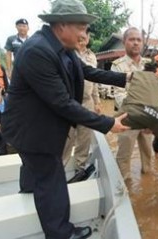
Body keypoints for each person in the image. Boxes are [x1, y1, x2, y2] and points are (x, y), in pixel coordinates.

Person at [1, 0, 131, 238]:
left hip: (36, 122)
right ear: (61, 25)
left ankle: (28, 188)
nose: (84, 34)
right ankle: (60, 232)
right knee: (52, 178)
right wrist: (108, 123)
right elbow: (62, 103)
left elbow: (88, 72)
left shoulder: (62, 48)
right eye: (81, 27)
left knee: (35, 169)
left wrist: (126, 78)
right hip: (31, 129)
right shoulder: (37, 51)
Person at [111, 27, 152, 180]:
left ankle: (147, 179)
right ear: (124, 42)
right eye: (132, 39)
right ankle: (124, 187)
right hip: (127, 118)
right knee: (124, 154)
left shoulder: (150, 65)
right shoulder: (117, 66)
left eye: (138, 40)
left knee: (148, 152)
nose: (135, 43)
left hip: (148, 118)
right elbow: (119, 94)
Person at [63, 27, 101, 182]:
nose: (83, 36)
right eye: (81, 32)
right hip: (70, 103)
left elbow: (95, 80)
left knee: (84, 139)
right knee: (67, 139)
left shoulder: (92, 56)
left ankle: (80, 170)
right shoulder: (66, 53)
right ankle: (59, 169)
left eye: (86, 33)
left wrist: (97, 101)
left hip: (88, 102)